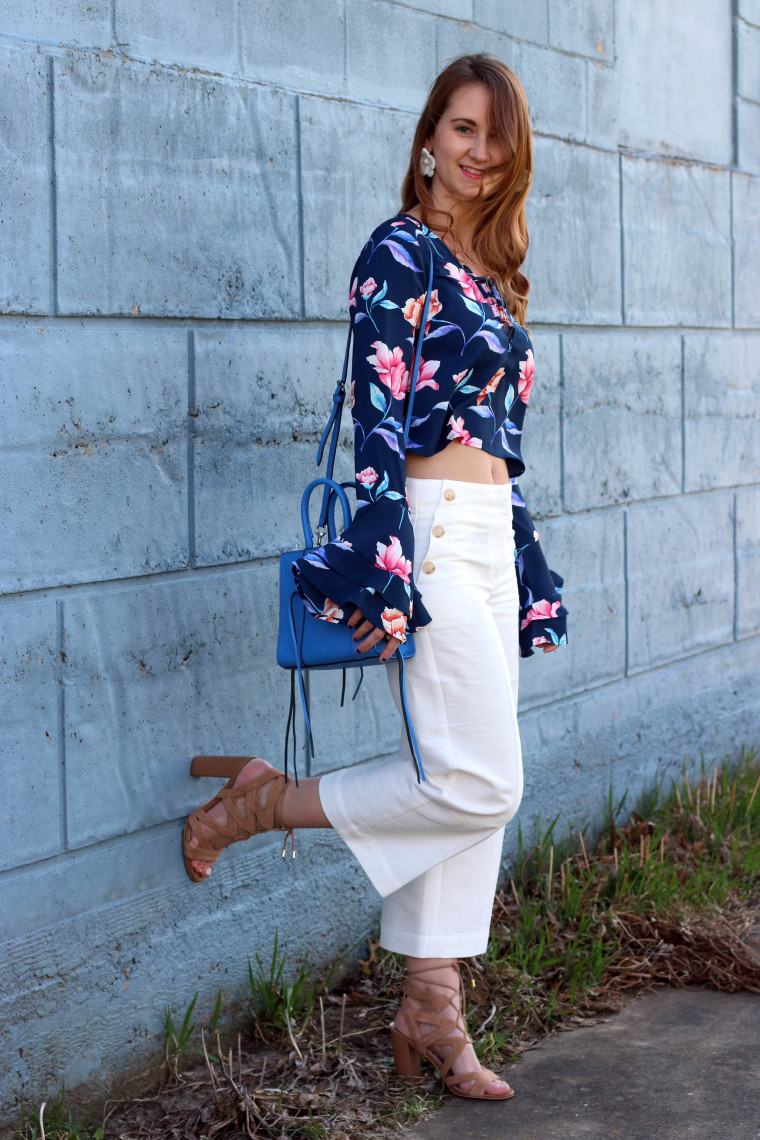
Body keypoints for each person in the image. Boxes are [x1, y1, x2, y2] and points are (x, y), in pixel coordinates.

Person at [183, 54, 568, 1102]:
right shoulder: (396, 254)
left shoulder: (490, 271)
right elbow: (377, 423)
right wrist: (381, 563)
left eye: (495, 135)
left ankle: (431, 1012)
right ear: (425, 140)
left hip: (490, 531)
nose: (478, 152)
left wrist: (523, 559)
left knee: (468, 784)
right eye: (460, 128)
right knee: (482, 781)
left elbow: (505, 436)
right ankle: (258, 806)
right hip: (433, 532)